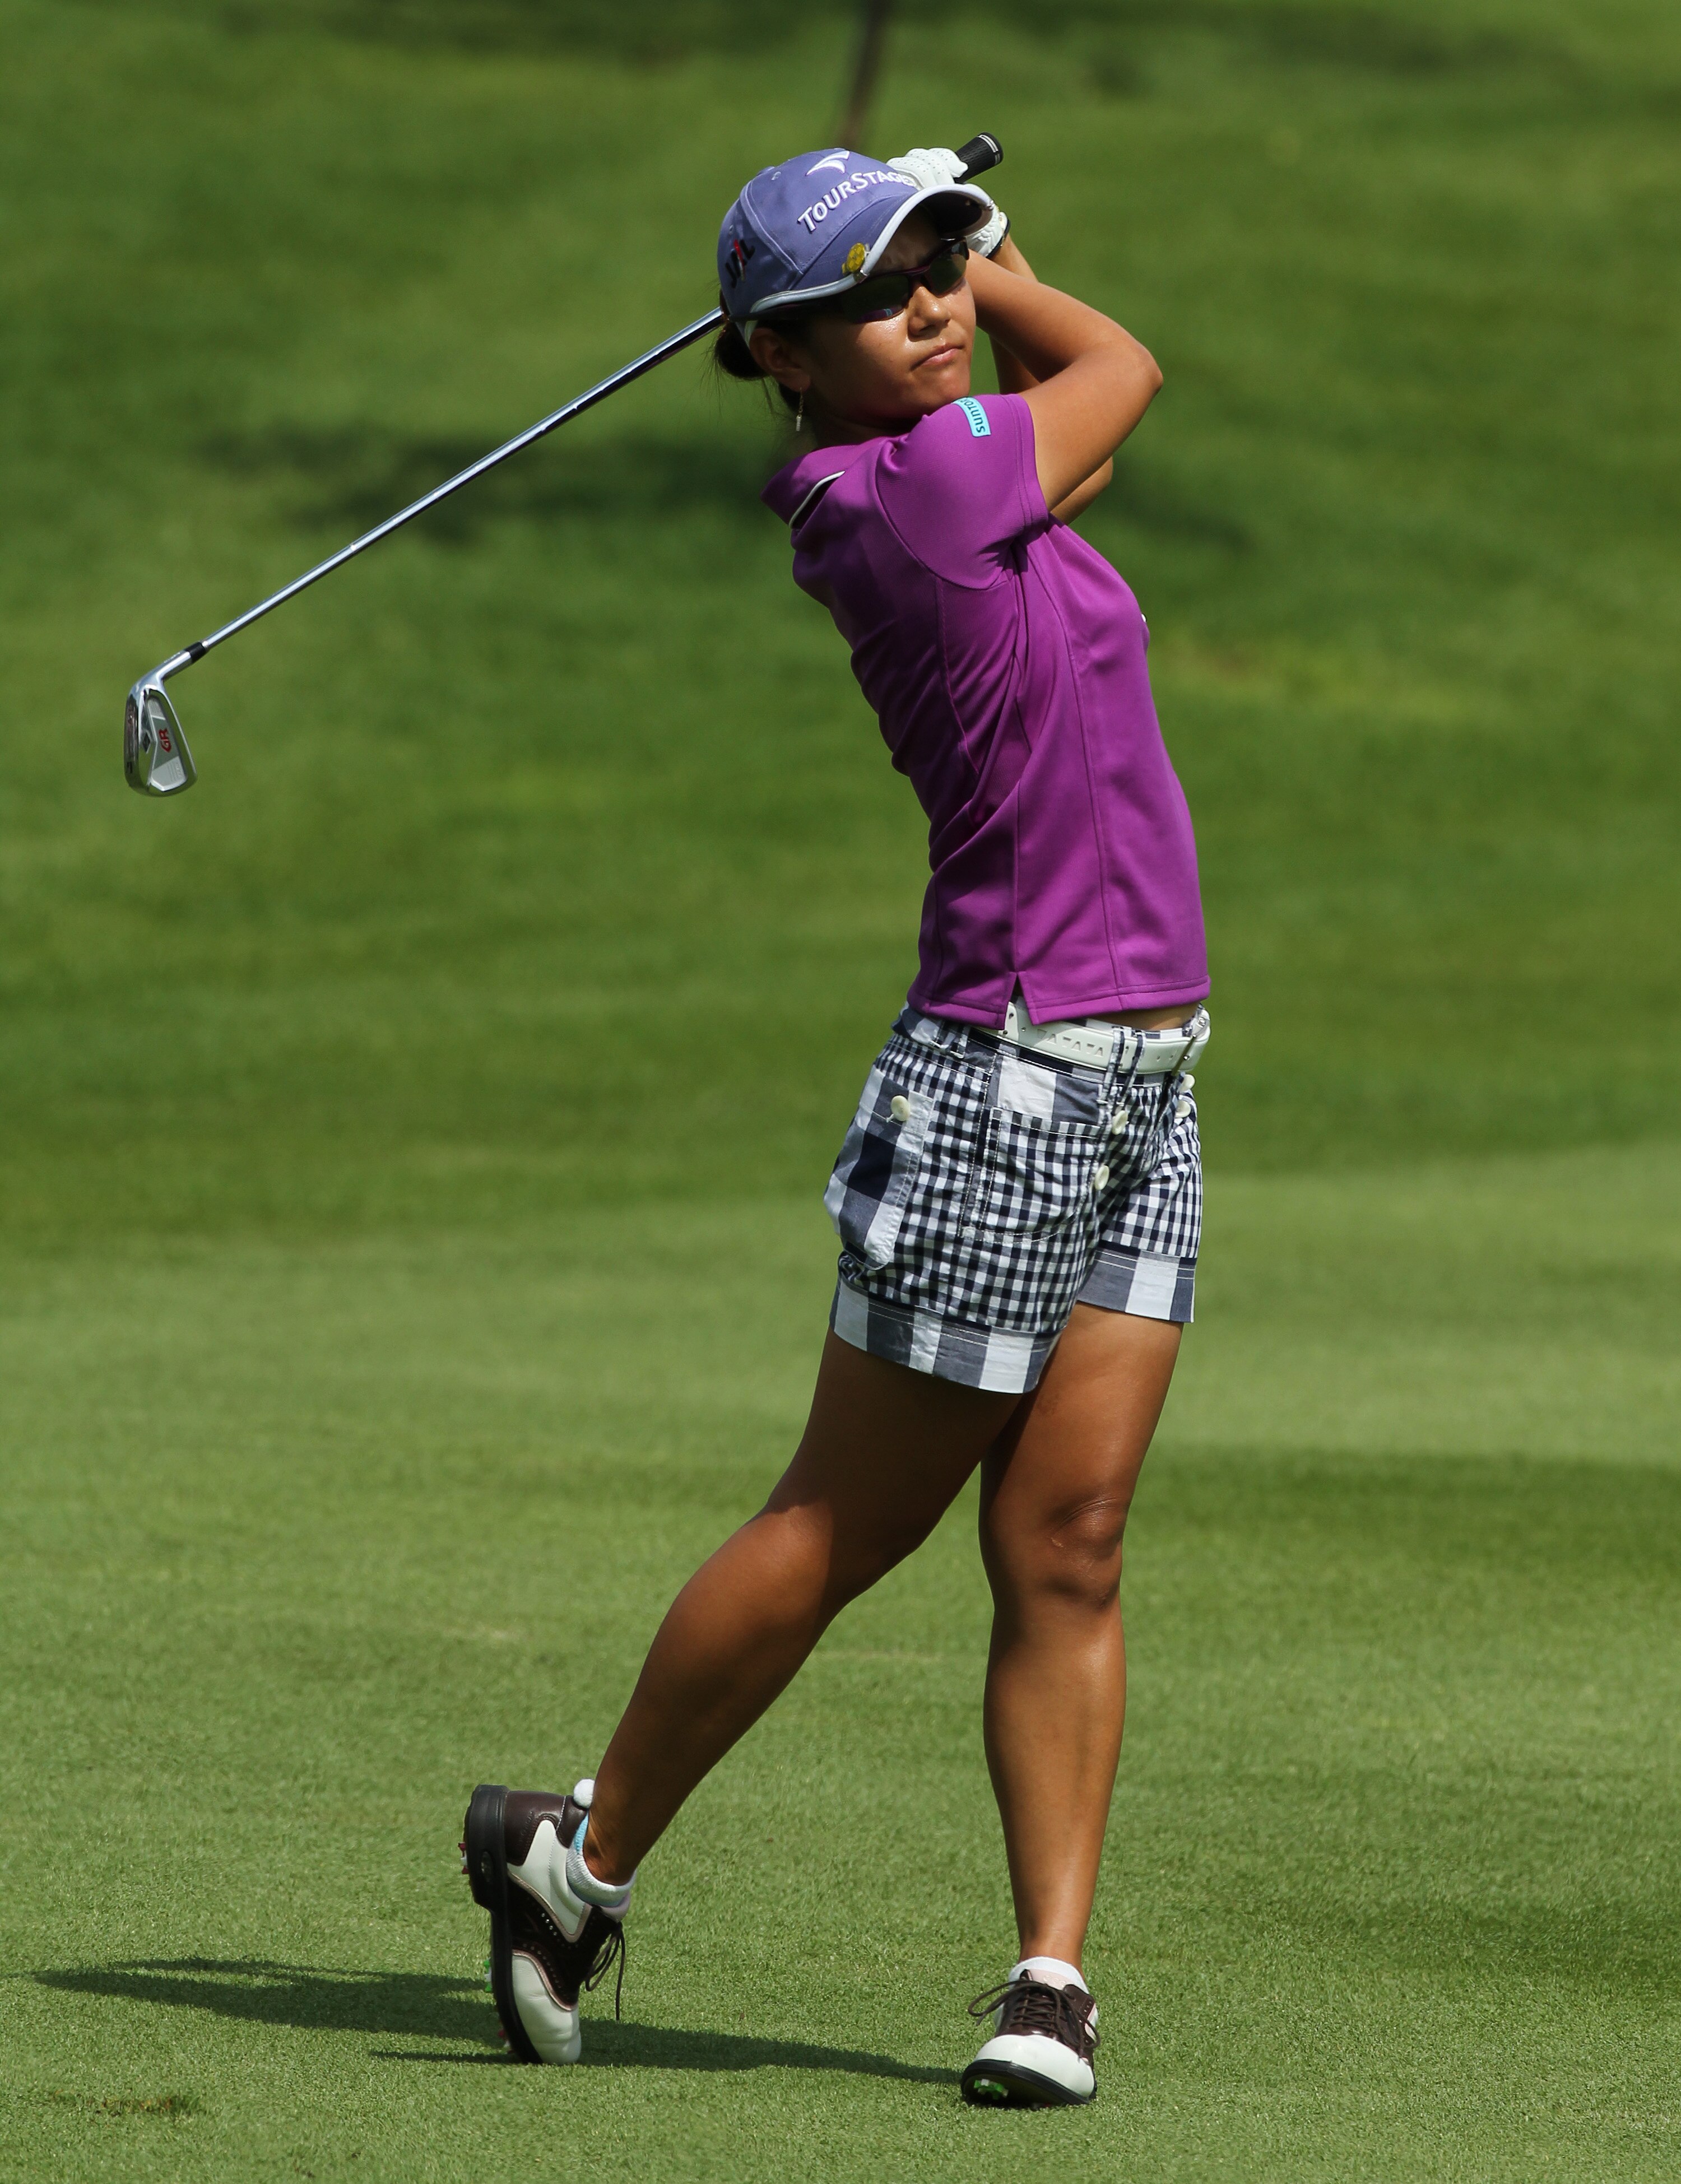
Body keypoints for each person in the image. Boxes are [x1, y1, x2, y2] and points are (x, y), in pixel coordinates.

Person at [462, 142, 1209, 2109]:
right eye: (889, 289)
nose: (943, 304)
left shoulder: (953, 465)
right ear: (782, 357)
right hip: (1007, 1074)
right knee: (845, 1521)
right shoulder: (914, 488)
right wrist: (1013, 240)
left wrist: (942, 236)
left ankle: (1050, 1977)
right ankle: (582, 1850)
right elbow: (1122, 365)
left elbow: (1086, 447)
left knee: (1073, 1539)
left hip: (1146, 1073)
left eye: (945, 271)